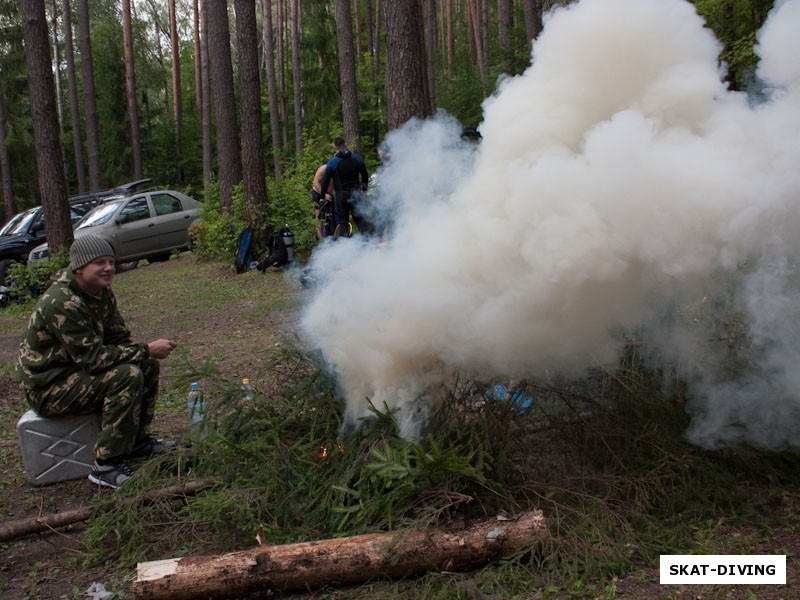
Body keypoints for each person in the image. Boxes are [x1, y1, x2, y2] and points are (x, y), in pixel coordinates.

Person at [16, 235, 178, 489]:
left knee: (147, 366)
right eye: (100, 263)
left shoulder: (100, 292)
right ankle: (106, 464)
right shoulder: (63, 301)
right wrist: (146, 348)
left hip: (75, 373)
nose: (108, 268)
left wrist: (143, 354)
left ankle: (136, 442)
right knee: (127, 375)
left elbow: (118, 338)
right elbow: (93, 359)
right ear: (79, 267)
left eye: (111, 262)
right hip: (48, 388)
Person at [319, 137, 372, 237]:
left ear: (334, 146)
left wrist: (322, 197)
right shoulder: (357, 159)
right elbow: (365, 174)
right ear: (346, 144)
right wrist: (364, 190)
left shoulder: (332, 162)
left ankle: (345, 248)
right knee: (360, 220)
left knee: (343, 222)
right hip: (356, 195)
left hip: (341, 197)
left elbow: (325, 182)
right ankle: (368, 245)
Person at [312, 162, 335, 240]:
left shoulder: (337, 169)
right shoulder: (323, 169)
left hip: (330, 195)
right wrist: (324, 195)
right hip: (318, 194)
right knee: (319, 217)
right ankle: (321, 241)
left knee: (331, 217)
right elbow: (315, 183)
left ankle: (331, 237)